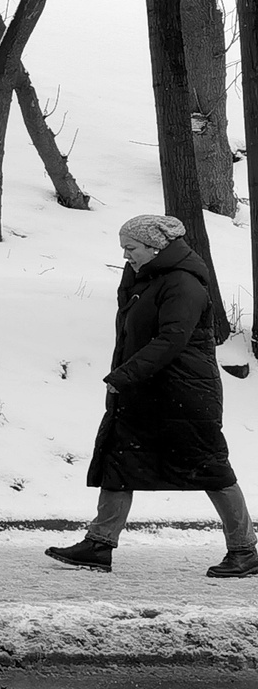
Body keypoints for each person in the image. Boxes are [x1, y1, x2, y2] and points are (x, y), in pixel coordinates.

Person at [47, 215, 258, 579]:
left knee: (211, 468)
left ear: (154, 248)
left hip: (185, 395)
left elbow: (171, 340)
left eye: (131, 248)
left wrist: (125, 375)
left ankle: (244, 550)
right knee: (119, 458)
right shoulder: (147, 279)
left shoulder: (184, 283)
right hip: (146, 391)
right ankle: (99, 544)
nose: (125, 255)